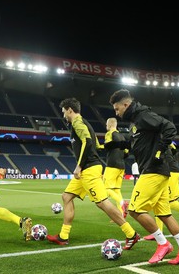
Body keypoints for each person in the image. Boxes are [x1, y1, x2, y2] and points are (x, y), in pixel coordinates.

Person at [109, 89, 179, 265]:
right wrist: (116, 143)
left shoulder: (143, 116)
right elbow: (135, 143)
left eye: (117, 109)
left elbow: (169, 128)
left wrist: (160, 151)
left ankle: (163, 244)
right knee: (164, 215)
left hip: (153, 170)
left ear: (126, 104)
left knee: (134, 210)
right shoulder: (135, 122)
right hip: (157, 172)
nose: (116, 113)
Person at [46, 97, 140, 249]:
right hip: (87, 169)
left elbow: (88, 142)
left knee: (102, 203)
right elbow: (96, 145)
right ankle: (63, 236)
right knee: (66, 196)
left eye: (64, 112)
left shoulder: (77, 122)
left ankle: (131, 234)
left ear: (70, 110)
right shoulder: (84, 123)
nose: (63, 115)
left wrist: (79, 166)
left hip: (88, 169)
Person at [101, 117, 129, 218]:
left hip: (112, 164)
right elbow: (126, 152)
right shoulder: (122, 136)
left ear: (110, 124)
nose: (106, 127)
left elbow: (107, 145)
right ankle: (121, 214)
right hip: (122, 166)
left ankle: (123, 203)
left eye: (106, 125)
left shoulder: (109, 134)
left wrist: (98, 147)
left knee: (106, 188)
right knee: (116, 190)